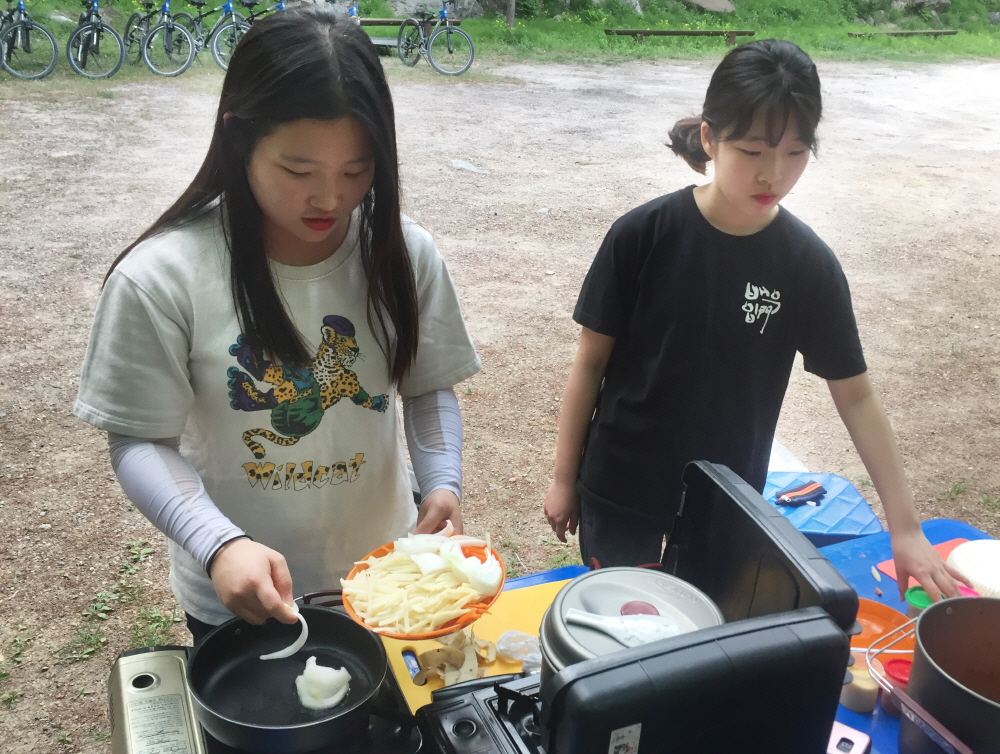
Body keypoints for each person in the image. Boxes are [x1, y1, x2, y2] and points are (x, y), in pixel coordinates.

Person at [73, 8, 481, 641]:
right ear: (239, 139)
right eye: (298, 171)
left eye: (357, 171)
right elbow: (138, 439)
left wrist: (442, 481)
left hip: (384, 579)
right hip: (243, 593)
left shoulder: (404, 253)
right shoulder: (162, 276)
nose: (330, 199)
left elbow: (426, 387)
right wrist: (218, 544)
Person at [543, 39, 967, 602]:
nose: (774, 174)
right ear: (708, 140)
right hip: (623, 490)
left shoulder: (806, 265)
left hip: (727, 500)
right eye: (752, 152)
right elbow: (589, 364)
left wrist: (905, 527)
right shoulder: (642, 236)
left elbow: (857, 397)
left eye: (795, 154)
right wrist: (562, 478)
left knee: (704, 638)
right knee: (626, 636)